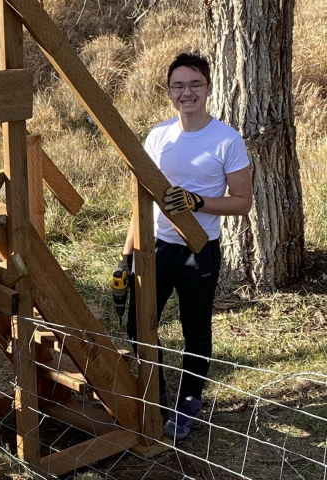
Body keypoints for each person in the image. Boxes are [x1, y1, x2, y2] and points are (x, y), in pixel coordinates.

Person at [115, 53, 252, 440]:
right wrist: (126, 257)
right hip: (155, 247)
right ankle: (155, 400)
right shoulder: (158, 136)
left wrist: (198, 202)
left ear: (208, 88)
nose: (186, 92)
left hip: (199, 250)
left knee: (196, 332)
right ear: (169, 91)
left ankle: (188, 404)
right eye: (179, 85)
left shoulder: (226, 139)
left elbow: (242, 202)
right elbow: (139, 201)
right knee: (139, 327)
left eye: (194, 84)